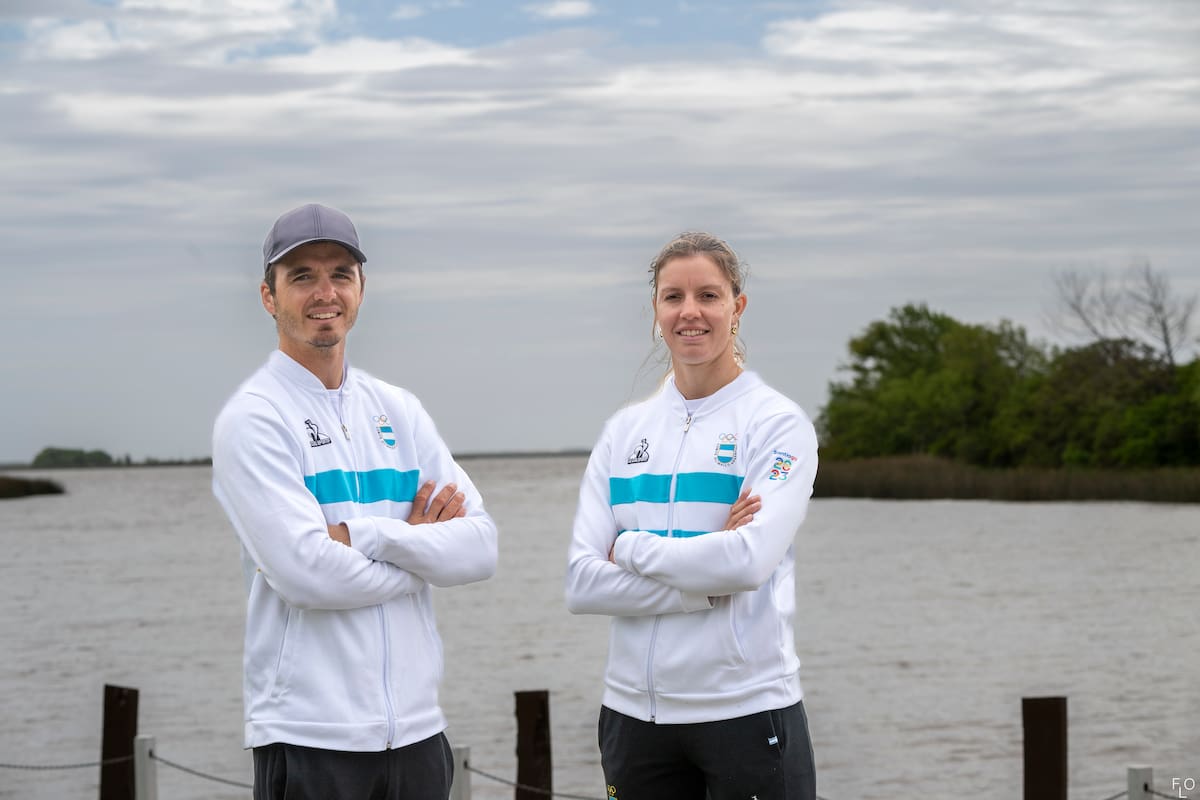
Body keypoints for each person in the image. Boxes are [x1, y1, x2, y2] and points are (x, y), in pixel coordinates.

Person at [212, 203, 498, 800]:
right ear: (269, 297)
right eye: (302, 277)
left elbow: (479, 549)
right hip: (310, 738)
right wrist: (421, 557)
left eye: (341, 273)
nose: (325, 293)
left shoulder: (398, 409)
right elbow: (308, 575)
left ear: (362, 288)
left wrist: (370, 538)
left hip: (419, 735)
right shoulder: (255, 418)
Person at [564, 232, 819, 800]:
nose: (690, 312)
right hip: (632, 717)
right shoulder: (623, 432)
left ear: (737, 306)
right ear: (656, 311)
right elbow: (583, 583)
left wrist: (629, 549)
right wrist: (698, 583)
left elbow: (747, 562)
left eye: (708, 295)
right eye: (673, 296)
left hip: (747, 712)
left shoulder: (777, 425)